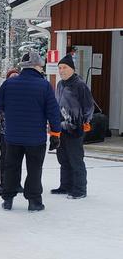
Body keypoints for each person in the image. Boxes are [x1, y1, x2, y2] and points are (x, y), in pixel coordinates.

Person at [0, 50, 61, 212]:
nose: (42, 69)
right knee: (34, 169)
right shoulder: (44, 86)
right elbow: (53, 112)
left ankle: (8, 199)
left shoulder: (9, 83)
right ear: (36, 66)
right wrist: (55, 134)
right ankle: (34, 201)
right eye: (41, 66)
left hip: (12, 136)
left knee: (11, 167)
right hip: (35, 138)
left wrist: (8, 112)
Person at [51, 53, 94, 199]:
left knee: (75, 159)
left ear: (72, 69)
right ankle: (65, 186)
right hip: (61, 128)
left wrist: (84, 122)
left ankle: (80, 189)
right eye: (60, 68)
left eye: (64, 67)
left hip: (75, 128)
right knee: (63, 159)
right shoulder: (60, 85)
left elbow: (89, 106)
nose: (61, 70)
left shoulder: (79, 85)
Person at [0, 68, 21, 195]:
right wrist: (9, 114)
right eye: (12, 76)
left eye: (16, 76)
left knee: (18, 158)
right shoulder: (3, 91)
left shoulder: (22, 92)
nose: (14, 78)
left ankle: (17, 183)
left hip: (18, 132)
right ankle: (3, 183)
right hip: (4, 131)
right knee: (5, 157)